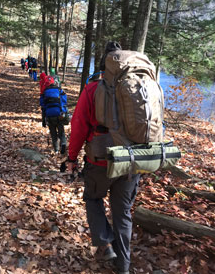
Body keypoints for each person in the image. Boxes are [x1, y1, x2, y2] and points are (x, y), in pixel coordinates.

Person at [64, 41, 136, 274]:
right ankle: (123, 266)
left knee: (93, 198)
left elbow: (78, 127)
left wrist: (71, 158)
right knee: (122, 213)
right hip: (132, 161)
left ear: (104, 64)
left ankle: (104, 245)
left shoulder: (93, 89)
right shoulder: (137, 87)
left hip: (100, 160)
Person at [40, 77, 67, 154]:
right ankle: (63, 143)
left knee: (53, 133)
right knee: (61, 131)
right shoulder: (59, 89)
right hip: (59, 113)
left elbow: (43, 105)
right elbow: (64, 100)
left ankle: (56, 150)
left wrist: (43, 120)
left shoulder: (44, 92)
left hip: (49, 114)